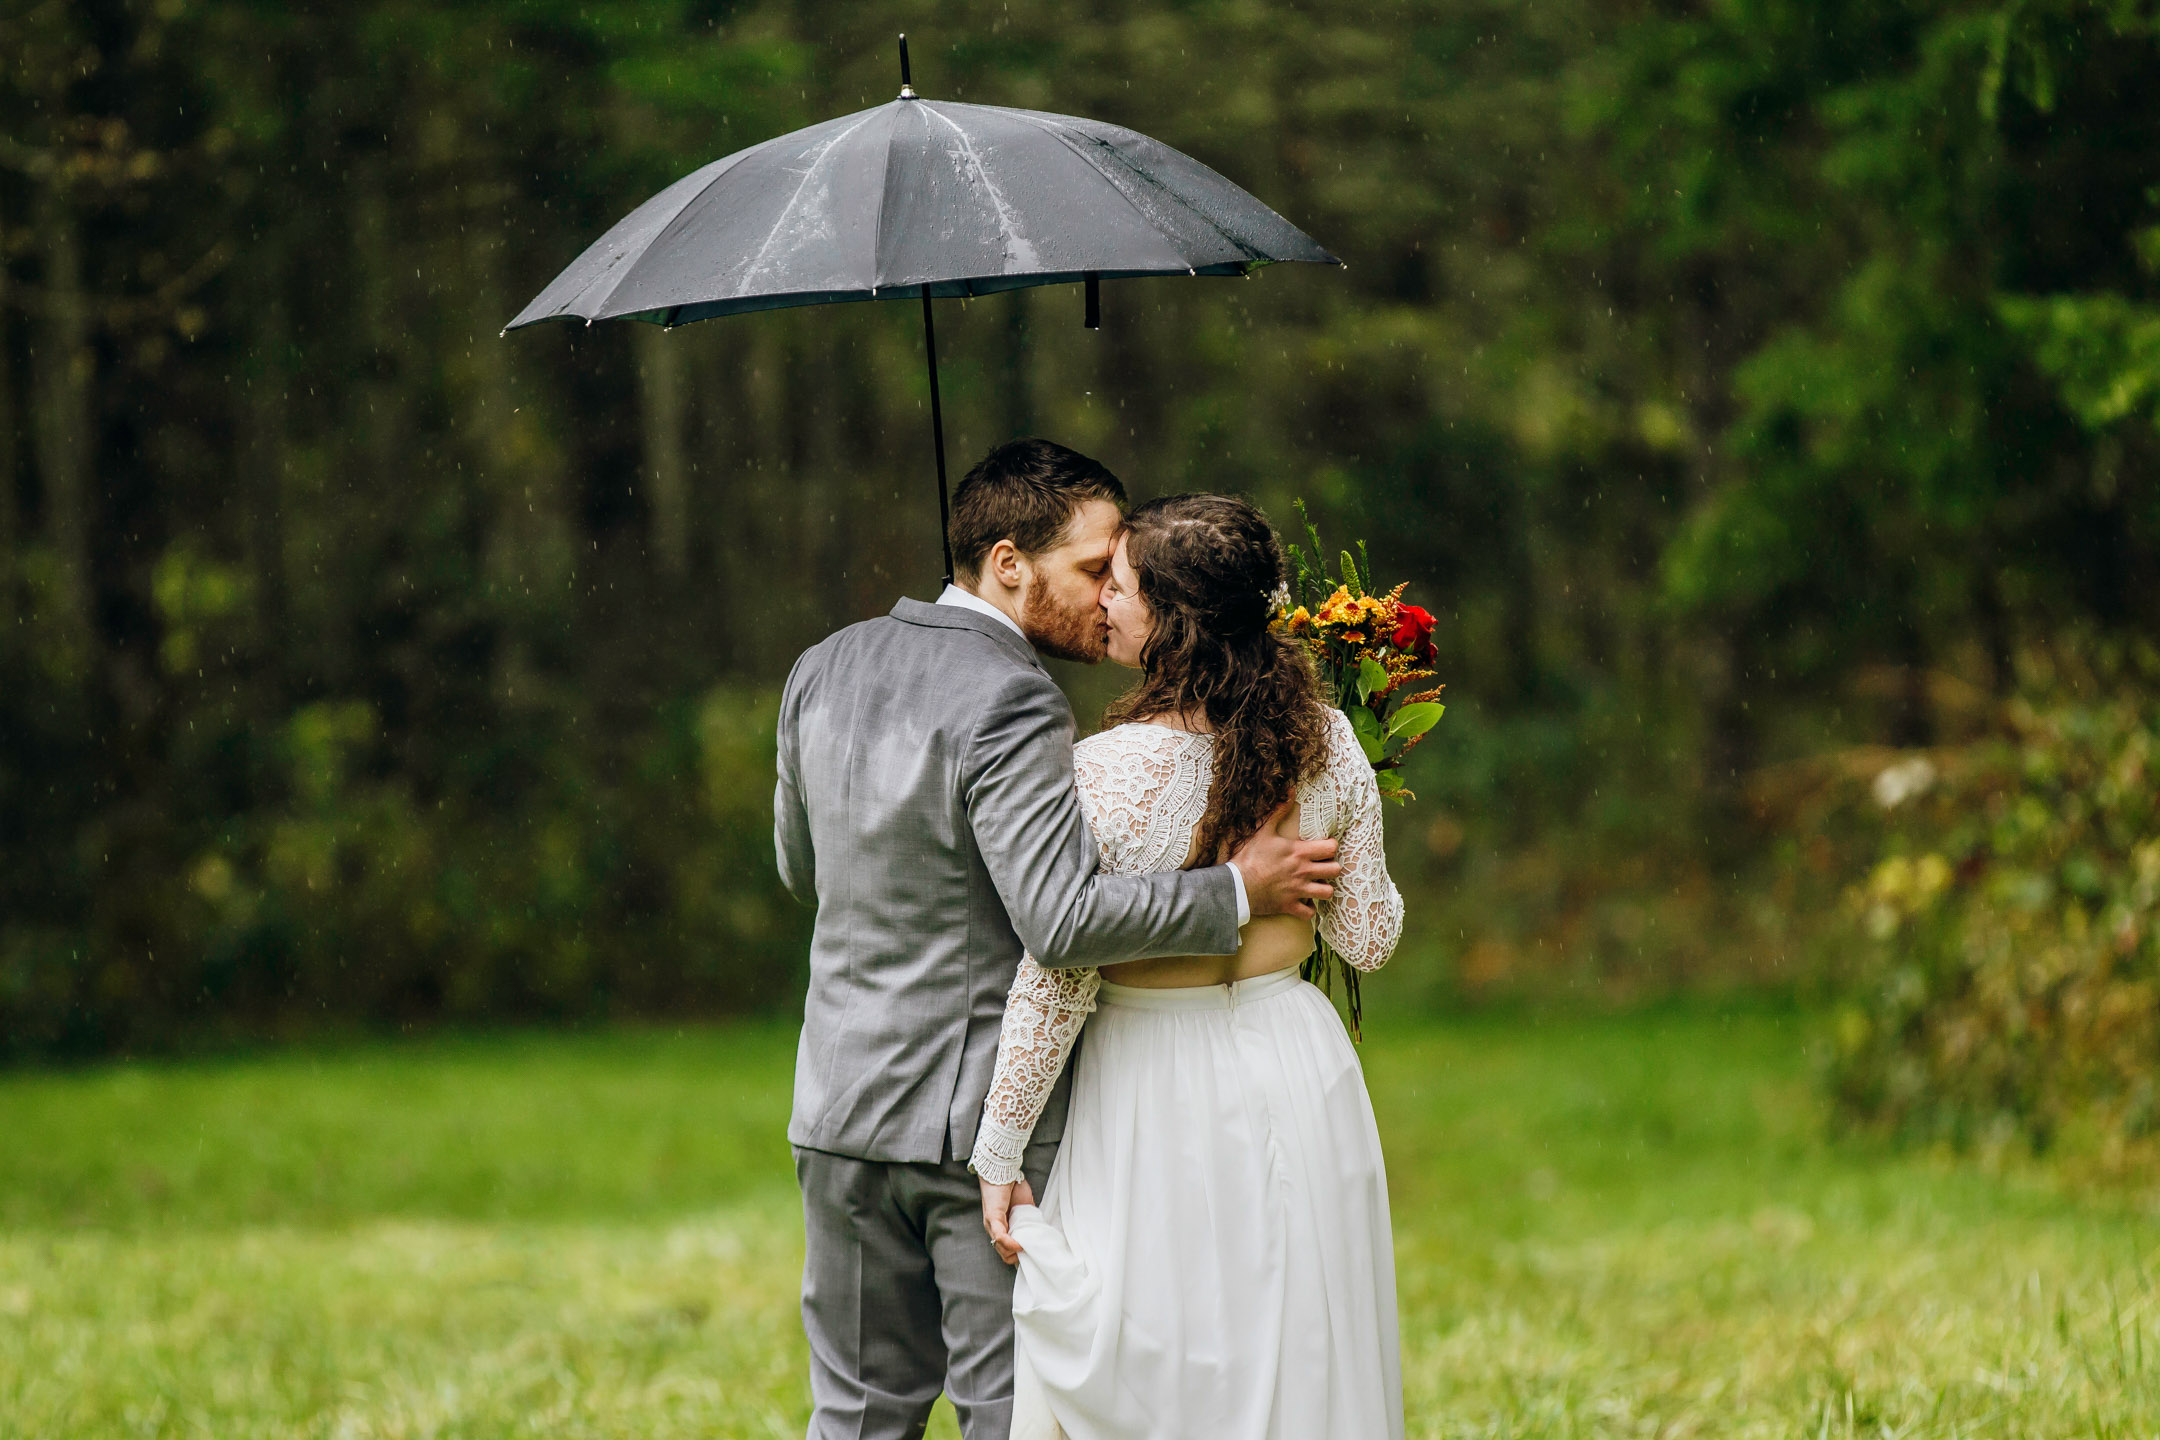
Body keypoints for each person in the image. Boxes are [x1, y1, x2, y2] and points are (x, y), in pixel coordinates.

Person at [773, 441, 1344, 1440]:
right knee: (1013, 1414)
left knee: (858, 1416)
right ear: (1006, 564)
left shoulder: (818, 667)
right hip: (969, 1130)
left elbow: (800, 866)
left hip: (835, 1110)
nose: (1106, 598)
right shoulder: (1014, 697)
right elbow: (1064, 919)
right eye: (1091, 570)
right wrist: (1234, 890)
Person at [971, 493, 1407, 1440]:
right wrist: (1360, 798)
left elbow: (1059, 972)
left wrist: (999, 1150)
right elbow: (1371, 937)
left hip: (1150, 1084)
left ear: (1176, 623)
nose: (1104, 606)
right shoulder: (1328, 744)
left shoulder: (1105, 769)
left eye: (1120, 587)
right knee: (1297, 1341)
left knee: (1166, 1348)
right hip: (1297, 1060)